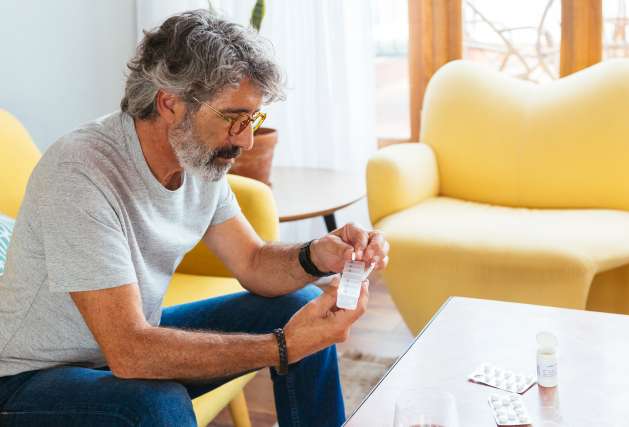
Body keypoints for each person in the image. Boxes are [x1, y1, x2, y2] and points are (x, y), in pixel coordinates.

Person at [0, 9, 389, 427]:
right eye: (233, 118)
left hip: (114, 350)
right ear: (170, 103)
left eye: (252, 118)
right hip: (26, 378)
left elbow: (254, 262)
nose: (247, 138)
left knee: (298, 304)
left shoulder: (198, 159)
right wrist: (282, 347)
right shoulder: (80, 173)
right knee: (156, 403)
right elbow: (131, 353)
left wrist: (318, 256)